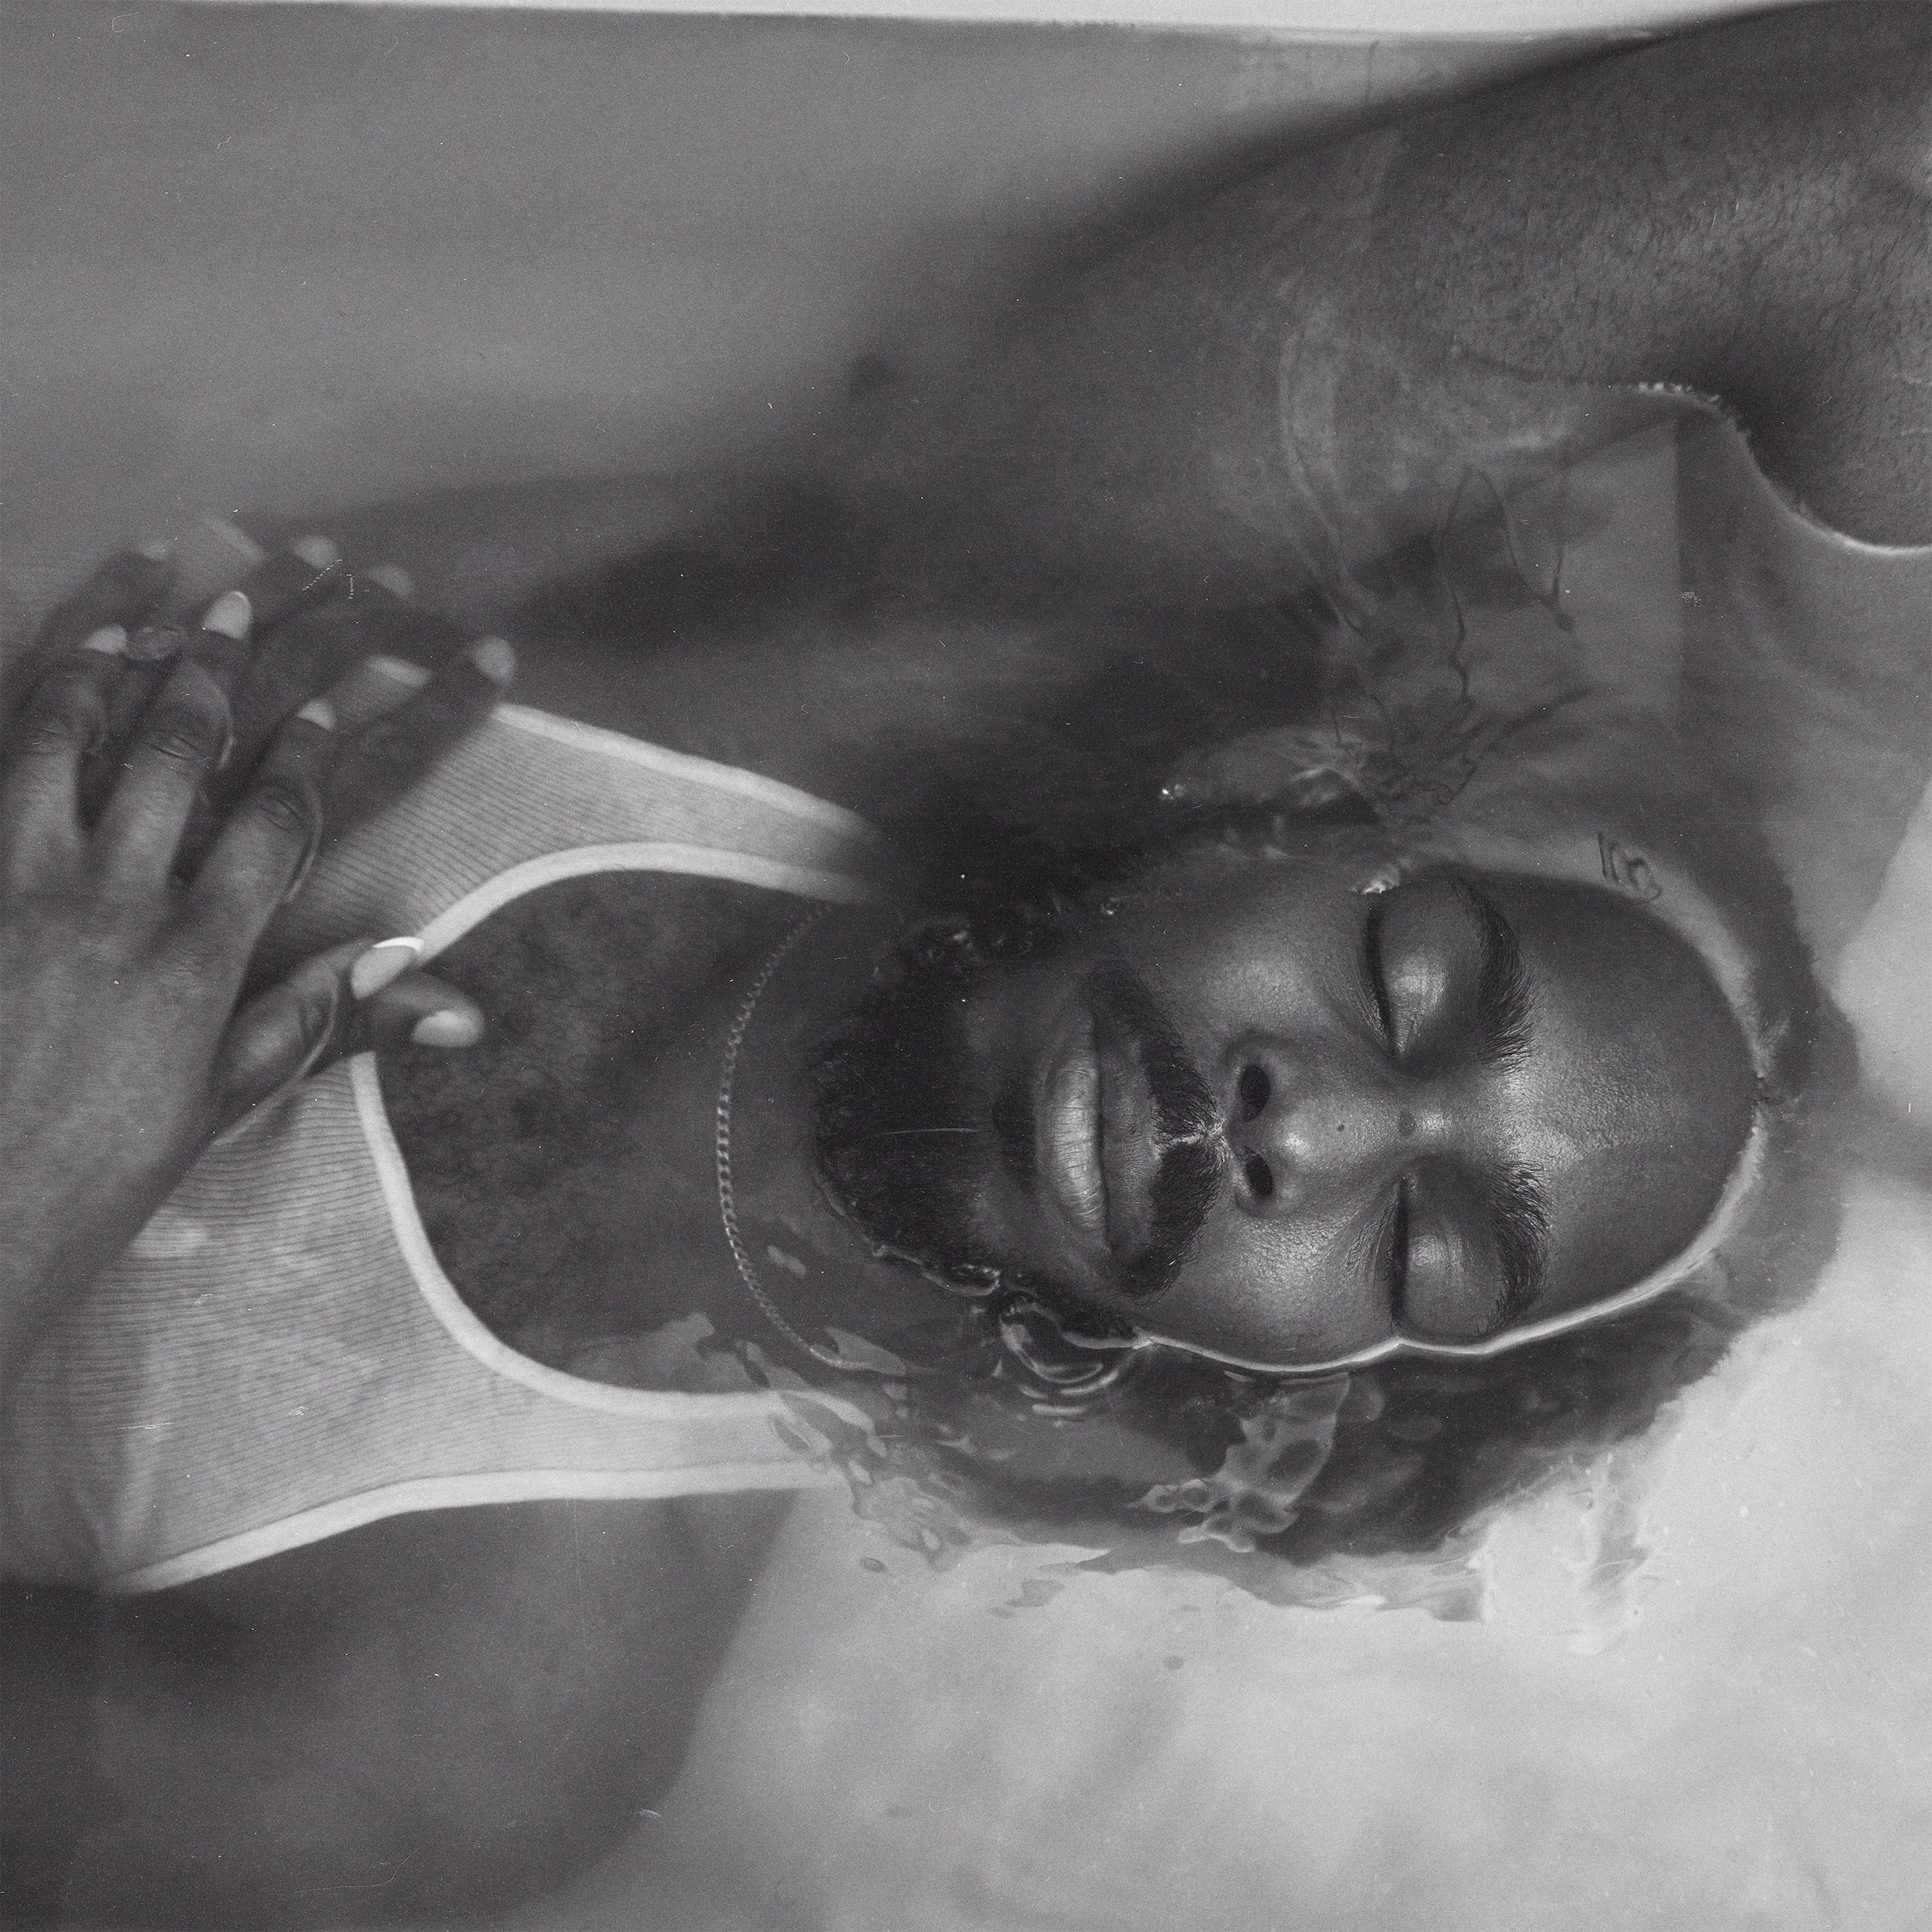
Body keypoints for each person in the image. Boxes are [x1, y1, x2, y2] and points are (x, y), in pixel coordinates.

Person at [1, 6, 1926, 1924]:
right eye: (1415, 981)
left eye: (1423, 1247)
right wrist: (1772, 862)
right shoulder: (897, 615)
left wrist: (36, 1182)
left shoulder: (470, 1709)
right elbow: (1877, 173)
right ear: (1271, 807)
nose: (1315, 1126)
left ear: (1266, 1387)